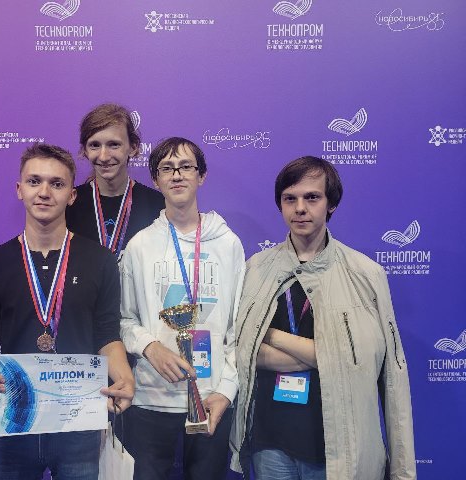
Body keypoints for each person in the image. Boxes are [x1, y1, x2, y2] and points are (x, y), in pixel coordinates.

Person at [230, 156, 416, 479]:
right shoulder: (255, 269)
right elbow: (241, 350)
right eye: (290, 199)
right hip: (269, 445)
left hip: (338, 450)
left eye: (312, 197)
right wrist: (319, 355)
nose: (300, 208)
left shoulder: (366, 275)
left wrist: (270, 336)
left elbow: (390, 375)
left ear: (331, 204)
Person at [0, 143, 134, 480]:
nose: (44, 192)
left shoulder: (100, 261)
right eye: (34, 181)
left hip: (78, 425)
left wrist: (124, 375)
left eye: (56, 184)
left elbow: (107, 335)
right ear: (19, 189)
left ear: (72, 196)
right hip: (13, 422)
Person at [119, 137, 245, 480]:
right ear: (156, 179)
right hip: (151, 399)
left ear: (201, 176)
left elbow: (239, 328)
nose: (177, 175)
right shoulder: (140, 246)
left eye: (186, 166)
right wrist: (150, 346)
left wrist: (226, 390)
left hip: (211, 397)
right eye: (167, 168)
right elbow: (124, 319)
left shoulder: (228, 244)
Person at [66, 103, 165, 258]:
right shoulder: (69, 204)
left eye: (114, 145)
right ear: (85, 150)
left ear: (133, 147)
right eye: (94, 145)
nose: (104, 156)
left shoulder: (158, 205)